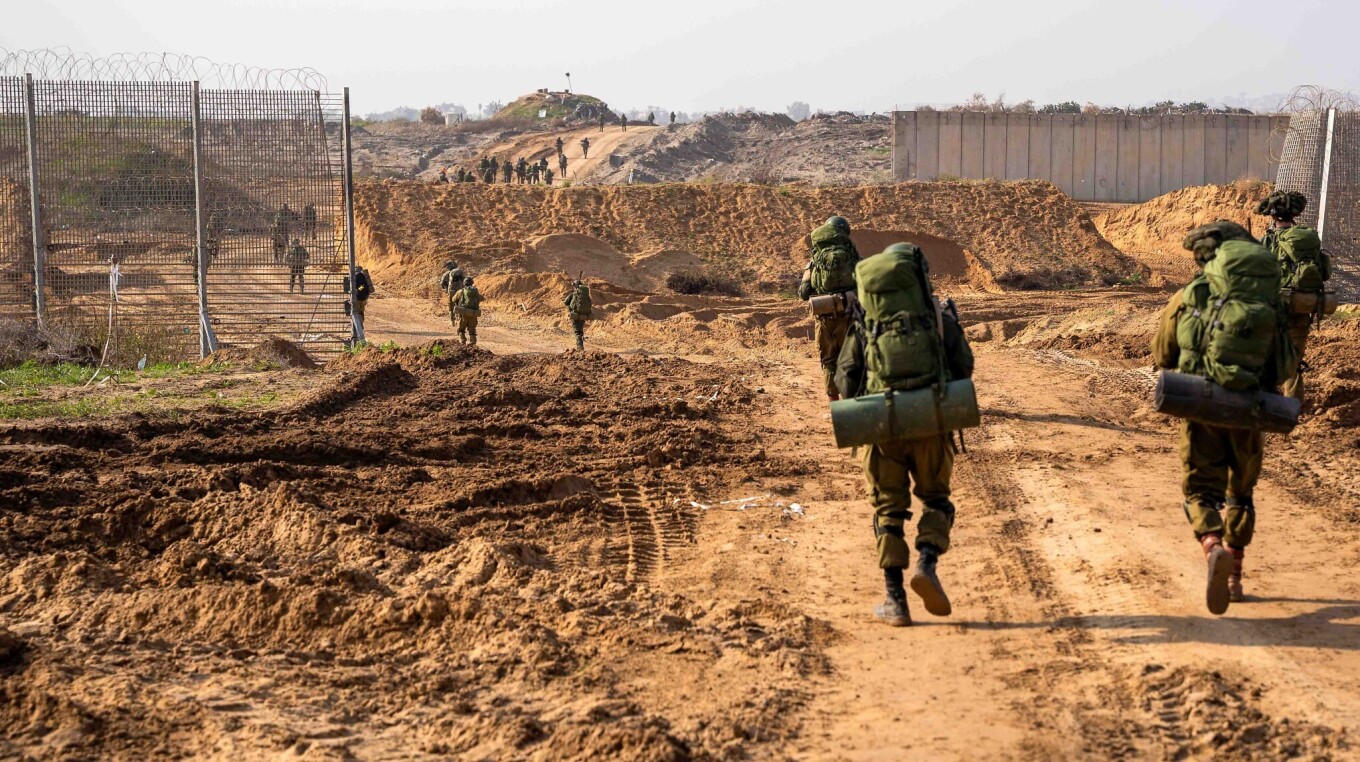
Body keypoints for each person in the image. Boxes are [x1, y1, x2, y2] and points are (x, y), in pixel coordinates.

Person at [1151, 221, 1296, 612]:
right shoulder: (1269, 300)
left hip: (1203, 406)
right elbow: (1284, 365)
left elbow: (1163, 355)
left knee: (1201, 491)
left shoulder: (1191, 294)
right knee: (1241, 494)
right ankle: (1234, 575)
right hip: (1252, 409)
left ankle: (1212, 544)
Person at [834, 243, 974, 627]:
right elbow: (965, 366)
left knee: (888, 512)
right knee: (937, 501)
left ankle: (895, 599)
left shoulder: (865, 322)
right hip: (930, 422)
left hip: (882, 427)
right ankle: (927, 563)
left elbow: (844, 379)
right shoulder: (935, 315)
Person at [1257, 190, 1328, 403]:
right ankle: (1293, 406)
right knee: (1294, 361)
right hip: (1302, 306)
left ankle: (1265, 403)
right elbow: (1324, 273)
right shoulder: (1308, 239)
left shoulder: (1269, 241)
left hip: (1275, 308)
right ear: (1293, 216)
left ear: (1272, 217)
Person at [798, 215, 860, 400]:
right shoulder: (853, 259)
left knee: (828, 362)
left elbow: (803, 293)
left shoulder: (814, 263)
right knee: (851, 361)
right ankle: (852, 408)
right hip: (849, 318)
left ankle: (835, 407)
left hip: (824, 320)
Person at [452, 276, 483, 345]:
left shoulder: (460, 292)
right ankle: (473, 344)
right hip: (473, 314)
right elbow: (482, 298)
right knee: (472, 331)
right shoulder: (475, 292)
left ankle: (462, 343)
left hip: (463, 314)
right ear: (472, 283)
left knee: (461, 330)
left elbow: (453, 299)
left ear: (464, 283)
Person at [565, 277, 592, 350]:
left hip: (575, 314)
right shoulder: (586, 295)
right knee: (580, 329)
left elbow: (566, 302)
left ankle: (580, 347)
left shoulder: (574, 295)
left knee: (577, 332)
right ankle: (581, 342)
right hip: (583, 315)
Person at [439, 260, 467, 326]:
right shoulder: (461, 272)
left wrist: (446, 289)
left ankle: (452, 321)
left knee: (451, 306)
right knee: (461, 305)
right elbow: (465, 281)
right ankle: (461, 320)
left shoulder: (446, 274)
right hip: (460, 291)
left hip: (451, 292)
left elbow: (442, 283)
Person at [352, 265, 373, 331]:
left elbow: (362, 286)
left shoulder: (357, 276)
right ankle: (361, 324)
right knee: (361, 312)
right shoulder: (363, 276)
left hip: (359, 297)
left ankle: (359, 326)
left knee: (357, 312)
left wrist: (358, 290)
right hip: (364, 297)